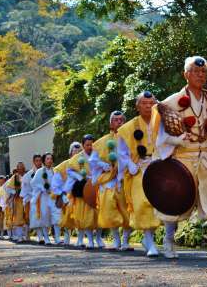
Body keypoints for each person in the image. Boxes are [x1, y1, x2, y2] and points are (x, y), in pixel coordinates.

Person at [155, 56, 207, 261]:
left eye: (203, 72)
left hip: (206, 158)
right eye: (196, 72)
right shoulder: (171, 102)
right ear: (185, 74)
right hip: (183, 159)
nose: (201, 75)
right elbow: (160, 137)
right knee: (174, 203)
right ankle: (169, 242)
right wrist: (176, 140)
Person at [117, 91, 161, 257]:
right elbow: (121, 152)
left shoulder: (161, 122)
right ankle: (149, 242)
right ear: (137, 106)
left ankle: (153, 239)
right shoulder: (127, 128)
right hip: (139, 169)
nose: (148, 106)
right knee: (143, 203)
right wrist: (129, 164)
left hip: (159, 167)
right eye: (144, 103)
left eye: (151, 103)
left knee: (159, 204)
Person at [89, 111, 132, 250]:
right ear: (110, 123)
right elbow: (93, 161)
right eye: (115, 120)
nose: (119, 122)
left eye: (121, 120)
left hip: (126, 179)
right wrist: (103, 165)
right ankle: (116, 240)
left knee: (127, 212)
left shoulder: (131, 138)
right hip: (108, 181)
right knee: (109, 210)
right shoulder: (101, 142)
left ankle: (125, 241)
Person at [66, 135, 105, 249]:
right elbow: (69, 170)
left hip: (97, 186)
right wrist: (80, 176)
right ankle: (90, 240)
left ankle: (98, 237)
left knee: (99, 215)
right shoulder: (77, 157)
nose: (90, 147)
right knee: (87, 216)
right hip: (84, 187)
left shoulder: (98, 154)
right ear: (83, 145)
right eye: (87, 145)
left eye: (91, 144)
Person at [51, 142, 83, 246]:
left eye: (79, 151)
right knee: (67, 218)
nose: (77, 153)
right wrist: (62, 194)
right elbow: (55, 185)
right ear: (70, 153)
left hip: (81, 195)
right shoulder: (63, 166)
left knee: (81, 217)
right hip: (67, 196)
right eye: (75, 151)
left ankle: (80, 239)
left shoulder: (85, 164)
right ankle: (66, 238)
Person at [30, 153, 55, 245]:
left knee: (51, 217)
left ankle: (54, 237)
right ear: (44, 161)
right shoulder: (40, 171)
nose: (50, 160)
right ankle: (46, 238)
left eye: (51, 158)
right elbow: (33, 183)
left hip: (52, 197)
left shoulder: (54, 171)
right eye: (48, 159)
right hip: (42, 197)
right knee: (43, 216)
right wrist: (43, 187)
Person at [21, 154, 43, 242]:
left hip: (43, 198)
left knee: (43, 218)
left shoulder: (44, 172)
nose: (38, 162)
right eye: (36, 161)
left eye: (40, 160)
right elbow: (25, 189)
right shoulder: (28, 175)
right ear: (33, 162)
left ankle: (43, 236)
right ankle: (30, 235)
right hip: (32, 199)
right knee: (31, 218)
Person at [5, 162, 26, 243]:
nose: (21, 169)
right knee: (18, 218)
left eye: (22, 167)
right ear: (17, 169)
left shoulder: (27, 175)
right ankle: (19, 236)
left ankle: (26, 236)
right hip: (18, 200)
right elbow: (8, 188)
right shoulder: (15, 177)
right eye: (19, 168)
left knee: (27, 218)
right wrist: (15, 191)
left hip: (27, 199)